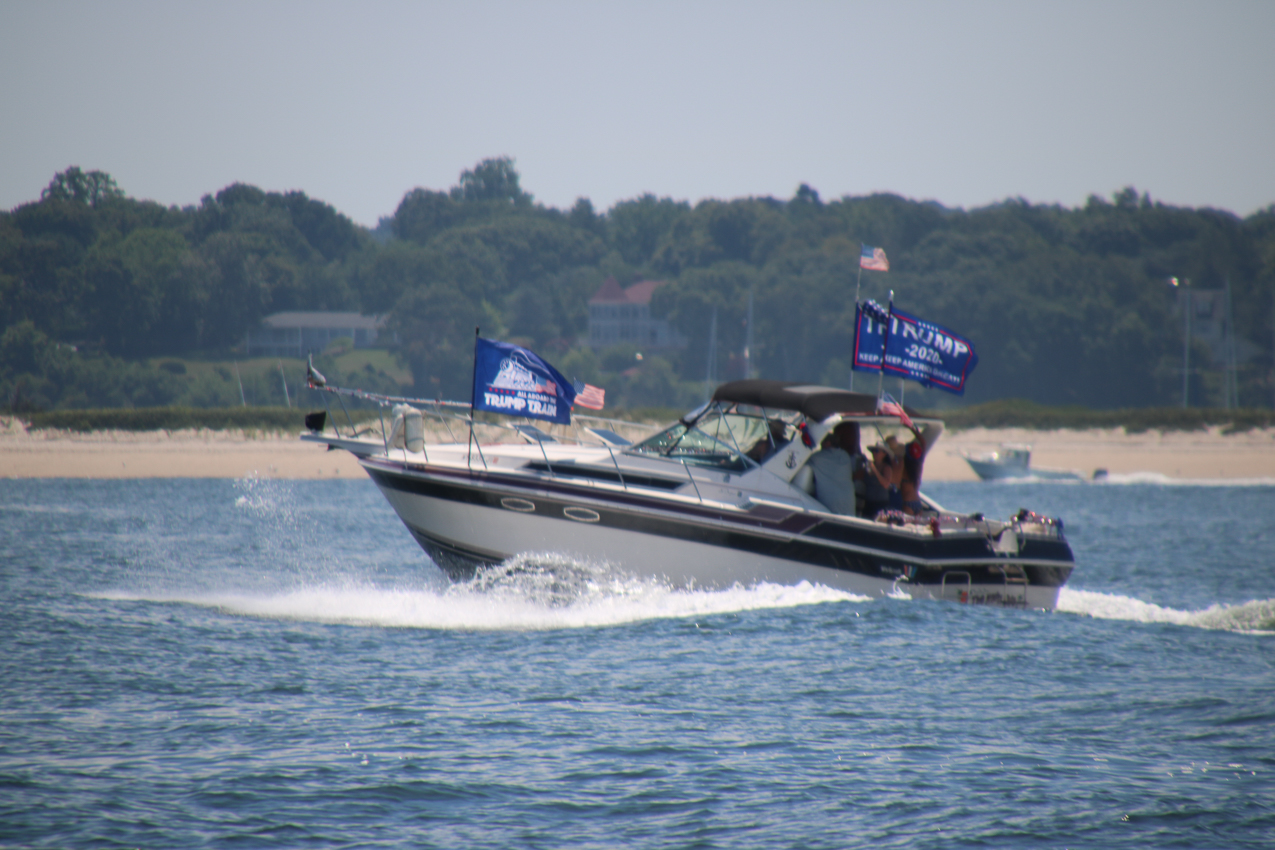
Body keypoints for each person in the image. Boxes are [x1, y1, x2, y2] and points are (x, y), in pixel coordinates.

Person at [808, 427, 856, 514]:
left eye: (822, 443)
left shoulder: (818, 458)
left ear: (828, 443)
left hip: (831, 505)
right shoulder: (845, 456)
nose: (821, 446)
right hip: (848, 502)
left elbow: (800, 464)